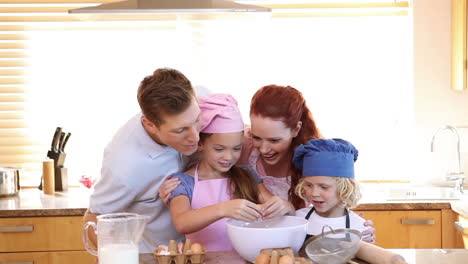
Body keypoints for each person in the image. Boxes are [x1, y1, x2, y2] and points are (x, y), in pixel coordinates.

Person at [159, 84, 377, 243]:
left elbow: (334, 200)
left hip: (300, 245)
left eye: (274, 140)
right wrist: (168, 184)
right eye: (256, 137)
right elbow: (205, 146)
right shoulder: (238, 146)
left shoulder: (315, 157)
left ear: (296, 130)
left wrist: (354, 225)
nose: (262, 149)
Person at [84, 68, 202, 253]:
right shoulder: (124, 166)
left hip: (199, 247)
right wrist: (109, 254)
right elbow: (94, 218)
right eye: (181, 130)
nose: (195, 137)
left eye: (197, 120)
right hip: (152, 255)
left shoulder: (201, 99)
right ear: (150, 125)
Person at [168, 94, 294, 252]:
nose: (229, 157)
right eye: (219, 149)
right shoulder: (183, 182)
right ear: (200, 143)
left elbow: (272, 207)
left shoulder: (246, 174)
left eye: (236, 148)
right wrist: (223, 209)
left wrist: (284, 206)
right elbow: (181, 222)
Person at [292, 138, 372, 241]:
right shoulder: (297, 219)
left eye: (324, 187)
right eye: (309, 185)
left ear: (345, 189)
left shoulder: (359, 227)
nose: (314, 193)